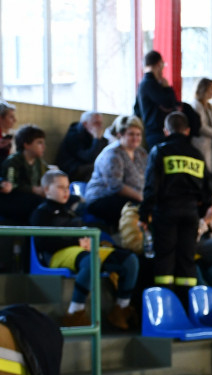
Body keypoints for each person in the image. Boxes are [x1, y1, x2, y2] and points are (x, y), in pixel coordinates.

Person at [32, 170, 139, 330]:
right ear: (46, 189)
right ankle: (75, 312)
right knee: (91, 261)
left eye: (67, 187)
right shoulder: (41, 212)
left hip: (81, 250)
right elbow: (43, 242)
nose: (66, 191)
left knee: (128, 260)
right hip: (56, 255)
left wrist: (87, 240)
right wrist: (77, 239)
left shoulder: (70, 212)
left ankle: (121, 309)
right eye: (61, 187)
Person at [139, 112, 212, 303]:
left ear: (166, 131)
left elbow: (151, 186)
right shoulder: (197, 155)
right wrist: (201, 209)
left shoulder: (160, 151)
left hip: (166, 211)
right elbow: (208, 189)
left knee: (165, 258)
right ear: (187, 131)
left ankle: (163, 305)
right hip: (190, 213)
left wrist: (144, 213)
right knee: (187, 260)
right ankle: (185, 306)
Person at [83, 115, 148, 227]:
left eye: (138, 134)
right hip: (102, 199)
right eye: (131, 134)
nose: (135, 138)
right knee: (137, 209)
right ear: (120, 134)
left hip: (132, 197)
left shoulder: (141, 153)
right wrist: (142, 198)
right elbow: (115, 186)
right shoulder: (112, 154)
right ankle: (127, 241)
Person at [1, 125, 48, 224]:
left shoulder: (40, 163)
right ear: (26, 144)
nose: (44, 146)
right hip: (14, 201)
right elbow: (11, 184)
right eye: (39, 142)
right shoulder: (13, 161)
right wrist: (33, 189)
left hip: (33, 198)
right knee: (39, 203)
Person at [135, 51, 180, 149]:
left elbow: (136, 110)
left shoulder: (143, 84)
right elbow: (169, 104)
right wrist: (167, 88)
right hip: (157, 132)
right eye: (163, 64)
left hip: (153, 131)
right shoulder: (150, 83)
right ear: (159, 64)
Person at [56, 111, 108, 183]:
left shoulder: (99, 137)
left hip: (85, 166)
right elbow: (89, 158)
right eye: (96, 123)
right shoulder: (74, 136)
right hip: (72, 169)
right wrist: (96, 139)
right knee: (97, 168)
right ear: (85, 124)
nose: (100, 126)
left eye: (100, 123)